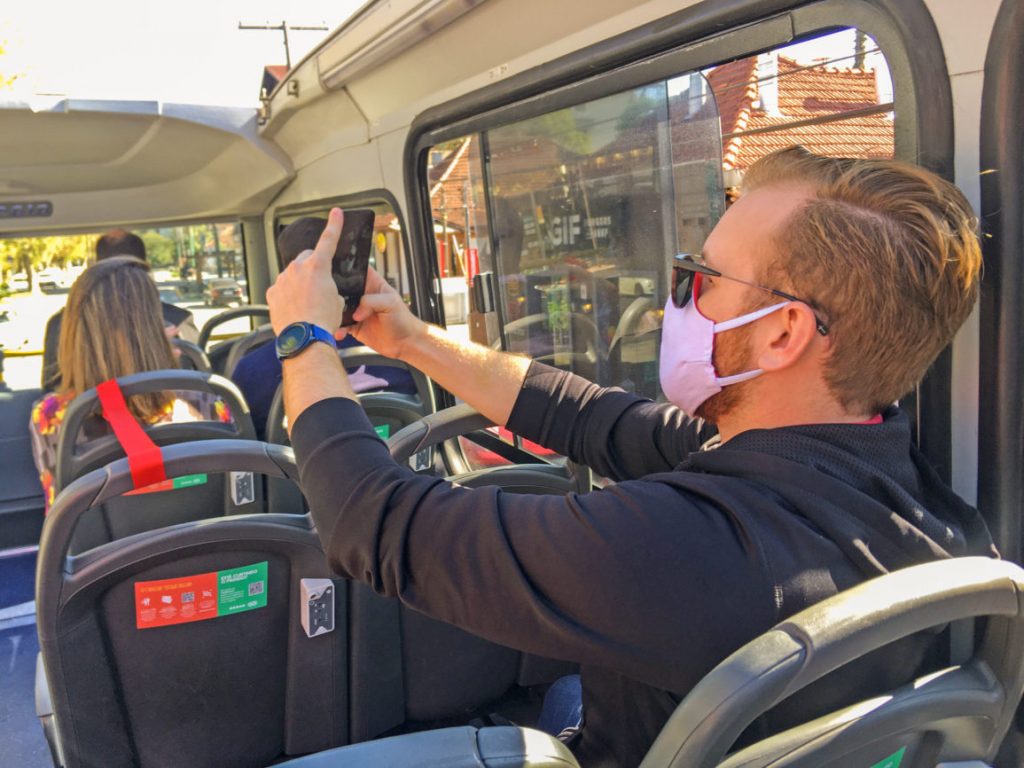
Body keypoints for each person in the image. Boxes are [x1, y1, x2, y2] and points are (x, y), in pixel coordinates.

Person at [265, 147, 995, 767]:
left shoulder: (684, 548)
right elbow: (586, 415)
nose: (677, 298)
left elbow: (368, 521)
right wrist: (409, 339)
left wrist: (305, 340)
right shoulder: (898, 487)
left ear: (783, 334)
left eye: (701, 278)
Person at [30, 257, 230, 513]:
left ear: (75, 331)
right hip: (204, 536)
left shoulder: (53, 415)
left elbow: (59, 508)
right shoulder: (206, 397)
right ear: (153, 327)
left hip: (102, 540)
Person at [232, 216, 417, 440]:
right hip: (405, 460)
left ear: (288, 276)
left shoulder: (251, 370)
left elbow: (245, 445)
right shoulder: (401, 350)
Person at [40, 229, 199, 391]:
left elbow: (52, 387)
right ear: (145, 269)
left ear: (95, 269)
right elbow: (199, 378)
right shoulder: (178, 321)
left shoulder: (62, 324)